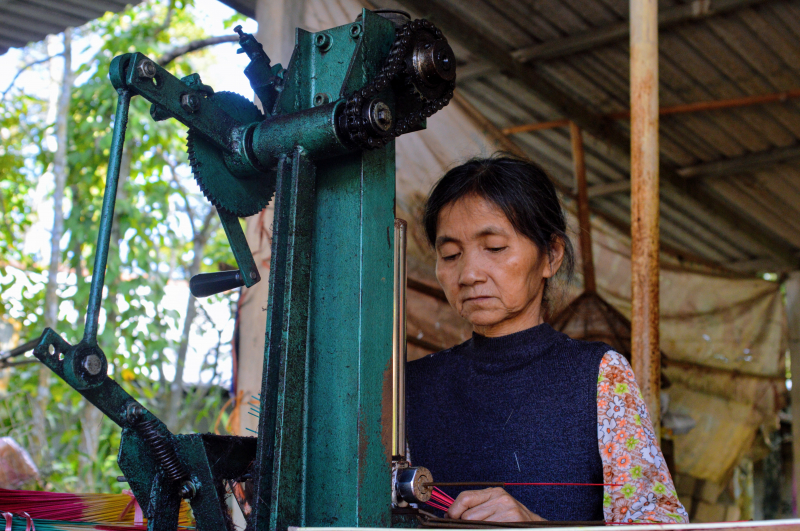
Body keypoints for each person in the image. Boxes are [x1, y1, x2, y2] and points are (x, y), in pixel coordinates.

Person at [405, 155, 688, 524]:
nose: (469, 273)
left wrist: (538, 527)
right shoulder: (413, 385)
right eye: (451, 254)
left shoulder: (599, 376)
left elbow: (658, 522)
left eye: (494, 248)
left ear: (550, 256)